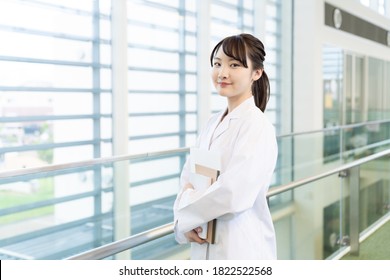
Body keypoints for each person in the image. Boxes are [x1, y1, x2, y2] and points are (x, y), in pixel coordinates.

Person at [173, 33, 278, 260]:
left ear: (256, 73)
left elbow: (233, 194)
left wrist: (185, 212)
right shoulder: (212, 123)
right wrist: (184, 222)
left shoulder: (257, 126)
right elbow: (188, 177)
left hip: (241, 249)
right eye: (217, 64)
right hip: (204, 241)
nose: (222, 73)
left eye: (234, 65)